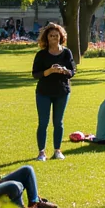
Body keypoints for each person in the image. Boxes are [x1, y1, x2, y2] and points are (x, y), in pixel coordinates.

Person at [33, 23, 74, 162]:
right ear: (47, 38)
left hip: (62, 91)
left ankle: (57, 150)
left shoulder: (66, 52)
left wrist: (64, 70)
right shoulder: (41, 54)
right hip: (44, 92)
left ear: (61, 36)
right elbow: (35, 74)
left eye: (56, 36)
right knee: (43, 123)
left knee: (58, 122)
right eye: (51, 36)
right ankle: (41, 152)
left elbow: (72, 72)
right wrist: (49, 71)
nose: (54, 38)